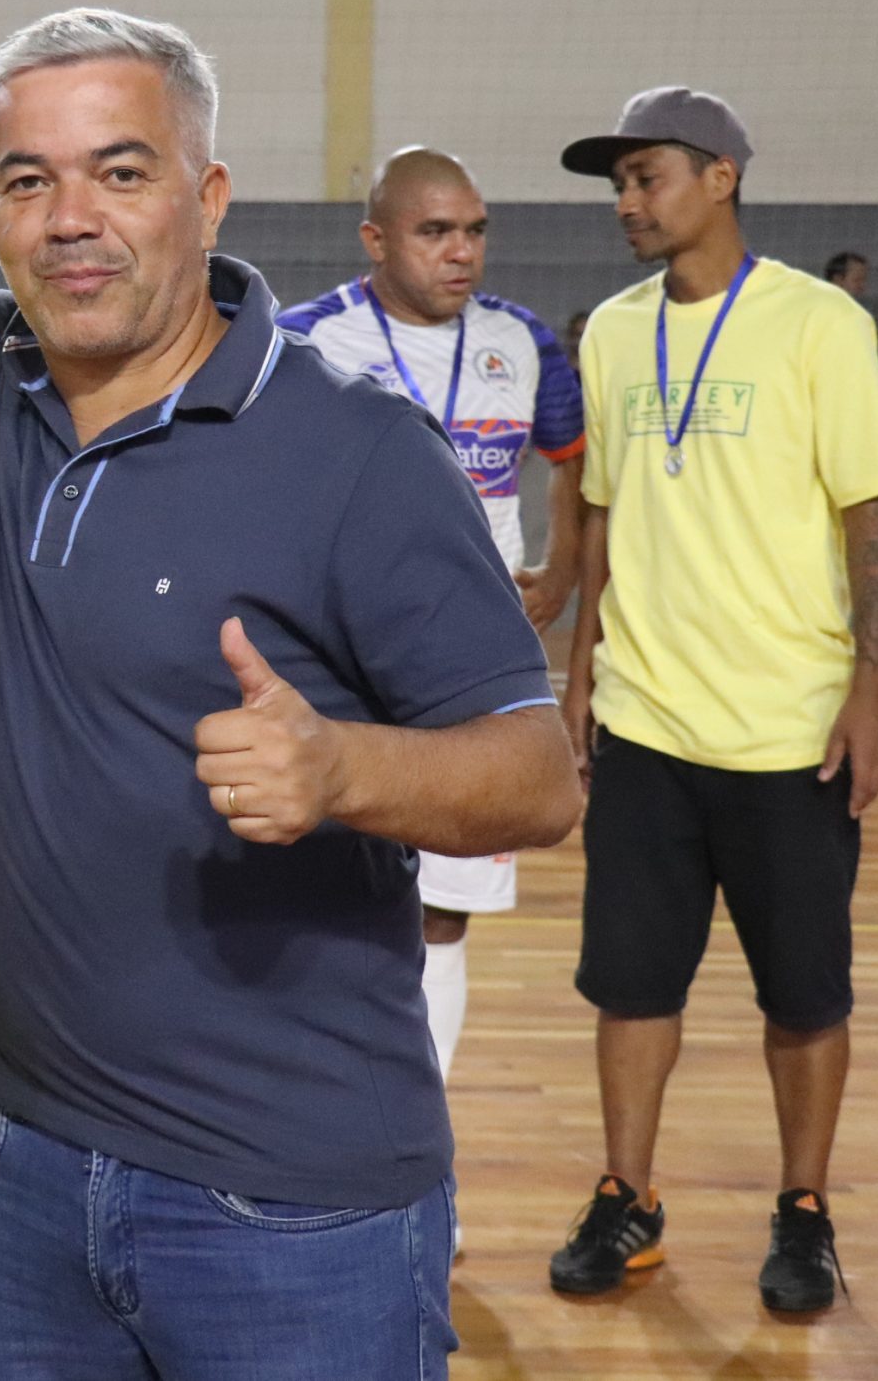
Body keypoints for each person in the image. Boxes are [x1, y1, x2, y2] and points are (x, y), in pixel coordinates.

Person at [0, 8, 577, 1381]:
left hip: (289, 1202)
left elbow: (540, 773)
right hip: (25, 1163)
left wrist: (344, 771)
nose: (71, 220)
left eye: (122, 170)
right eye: (27, 179)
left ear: (206, 194)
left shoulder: (353, 448)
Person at [552, 85, 878, 1314]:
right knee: (629, 986)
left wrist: (873, 690)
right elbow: (599, 517)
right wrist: (576, 678)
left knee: (804, 995)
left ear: (721, 177)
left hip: (789, 731)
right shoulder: (607, 333)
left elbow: (872, 515)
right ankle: (626, 1200)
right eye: (618, 182)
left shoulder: (819, 325)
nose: (625, 202)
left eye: (645, 175)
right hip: (646, 721)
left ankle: (803, 1209)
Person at [276, 146, 588, 1102]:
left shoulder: (525, 340)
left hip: (472, 672)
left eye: (476, 231)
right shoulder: (304, 339)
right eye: (435, 231)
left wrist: (563, 569)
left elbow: (574, 461)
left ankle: (422, 1132)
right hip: (340, 667)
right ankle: (310, 1114)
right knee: (321, 899)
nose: (462, 252)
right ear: (376, 239)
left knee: (444, 914)